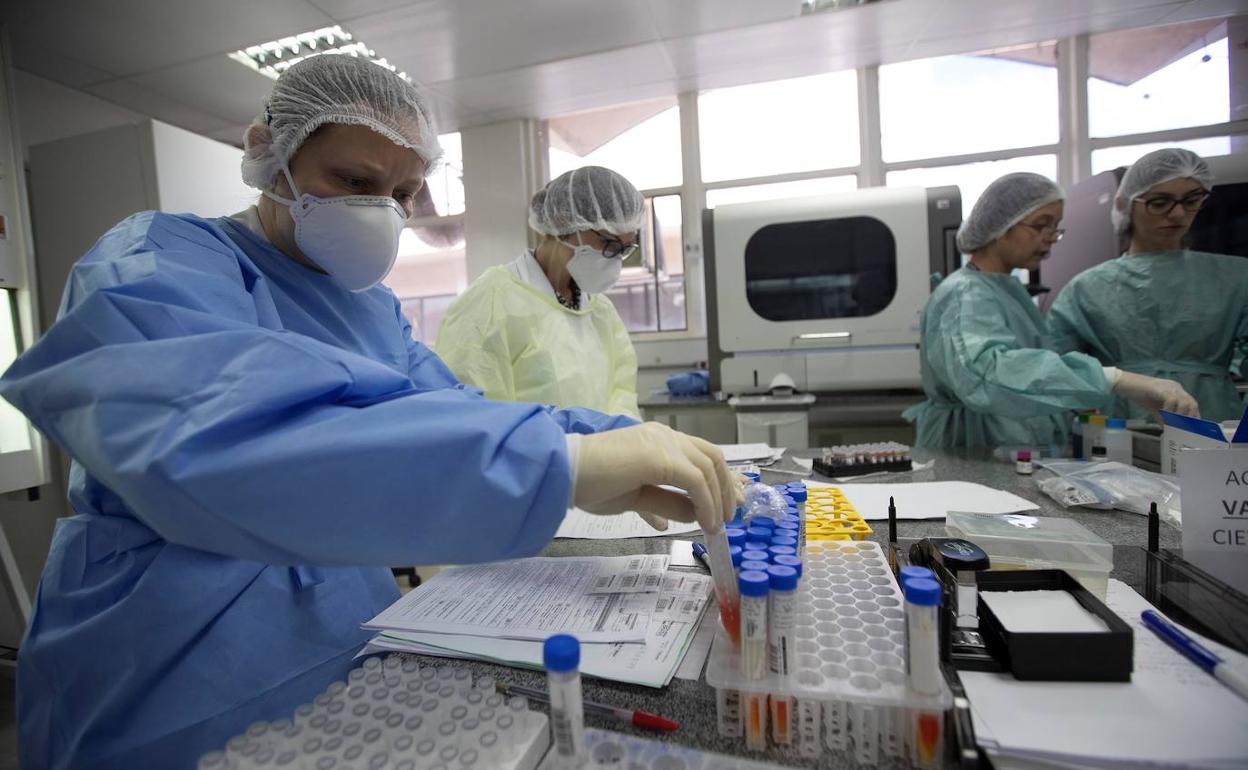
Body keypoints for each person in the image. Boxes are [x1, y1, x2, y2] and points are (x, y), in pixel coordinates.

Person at [0, 55, 738, 770]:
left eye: (404, 194)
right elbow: (218, 441)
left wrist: (618, 442)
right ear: (267, 153)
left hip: (346, 632)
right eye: (353, 180)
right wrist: (565, 466)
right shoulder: (155, 263)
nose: (380, 211)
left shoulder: (372, 311)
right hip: (164, 663)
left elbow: (452, 412)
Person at [904, 172, 1199, 448]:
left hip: (1007, 444)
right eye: (1040, 224)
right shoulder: (964, 294)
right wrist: (1115, 380)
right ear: (999, 226)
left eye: (1055, 227)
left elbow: (1032, 368)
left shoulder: (1004, 290)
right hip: (972, 446)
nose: (1049, 236)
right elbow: (989, 375)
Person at [1048, 148, 1248, 422]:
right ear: (1126, 205)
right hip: (1118, 428)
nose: (1178, 214)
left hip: (1213, 423)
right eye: (1159, 202)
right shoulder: (1086, 288)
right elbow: (1058, 369)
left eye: (1191, 200)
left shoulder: (1234, 277)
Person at [436, 167, 642, 418]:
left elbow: (622, 393)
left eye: (624, 249)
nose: (615, 259)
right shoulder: (490, 301)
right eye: (608, 243)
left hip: (603, 456)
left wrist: (618, 446)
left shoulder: (600, 311)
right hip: (529, 457)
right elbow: (475, 414)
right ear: (564, 223)